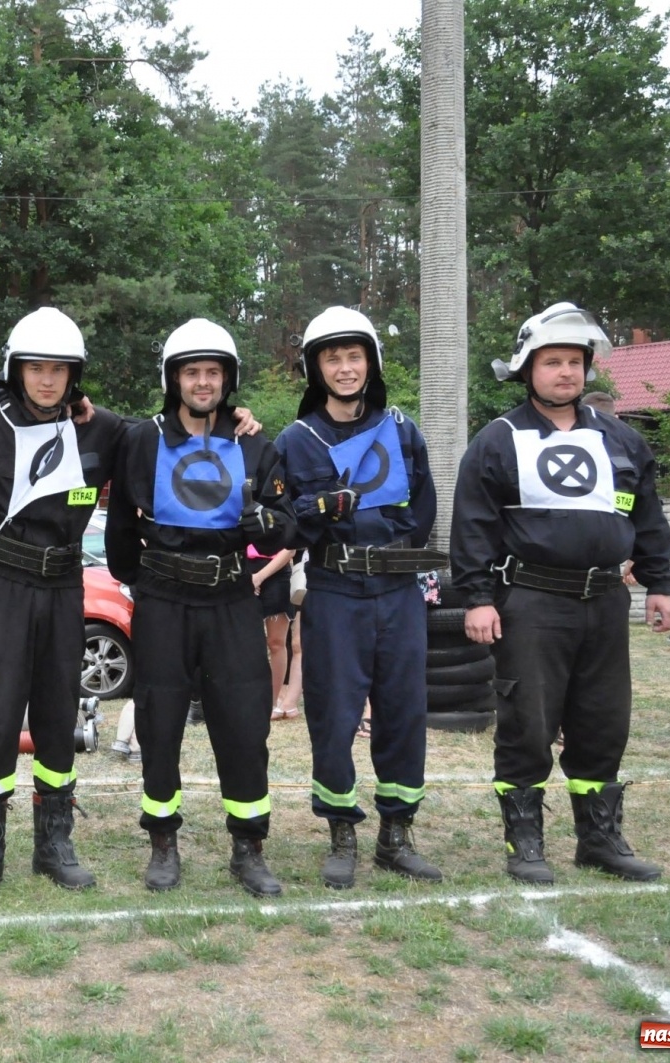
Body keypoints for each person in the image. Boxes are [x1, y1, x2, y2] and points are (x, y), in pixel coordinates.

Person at [452, 301, 670, 884]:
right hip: (530, 600)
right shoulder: (497, 441)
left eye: (575, 362)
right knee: (528, 721)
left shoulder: (622, 440)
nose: (566, 373)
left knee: (603, 721)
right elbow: (471, 525)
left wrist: (659, 582)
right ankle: (524, 842)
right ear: (528, 369)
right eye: (552, 362)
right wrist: (475, 598)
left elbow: (647, 515)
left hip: (604, 601)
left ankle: (599, 839)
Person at [107, 318, 295, 897]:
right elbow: (119, 533)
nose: (203, 382)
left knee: (243, 725)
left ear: (228, 378)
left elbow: (288, 525)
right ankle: (163, 842)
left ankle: (249, 846)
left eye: (213, 372)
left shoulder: (256, 443)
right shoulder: (142, 439)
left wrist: (262, 522)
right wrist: (142, 580)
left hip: (232, 598)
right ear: (174, 379)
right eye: (192, 372)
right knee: (158, 725)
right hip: (163, 599)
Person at [0, 307, 128, 897]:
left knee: (58, 717)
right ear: (16, 369)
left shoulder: (98, 428)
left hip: (65, 588)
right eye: (36, 368)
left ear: (74, 374)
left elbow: (168, 431)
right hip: (1, 584)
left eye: (60, 369)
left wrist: (235, 414)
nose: (47, 380)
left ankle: (54, 842)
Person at [274, 306, 445, 891]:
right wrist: (321, 512)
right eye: (331, 357)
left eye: (354, 356)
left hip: (397, 592)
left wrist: (390, 554)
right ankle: (341, 833)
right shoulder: (297, 441)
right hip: (333, 592)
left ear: (370, 363)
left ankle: (396, 834)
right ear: (314, 368)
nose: (345, 368)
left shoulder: (401, 429)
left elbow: (422, 510)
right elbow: (282, 521)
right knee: (333, 715)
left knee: (402, 714)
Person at [251, 546, 300, 720]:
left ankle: (271, 702)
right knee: (246, 641)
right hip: (243, 569)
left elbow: (290, 549)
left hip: (277, 571)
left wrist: (259, 577)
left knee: (276, 642)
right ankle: (247, 699)